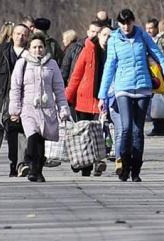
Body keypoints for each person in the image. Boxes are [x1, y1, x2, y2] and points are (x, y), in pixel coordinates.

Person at [96, 9, 164, 182]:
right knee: (125, 128)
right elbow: (109, 67)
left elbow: (160, 57)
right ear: (118, 24)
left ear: (133, 22)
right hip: (123, 88)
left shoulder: (142, 36)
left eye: (129, 23)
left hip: (142, 88)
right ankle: (123, 165)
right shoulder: (115, 40)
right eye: (123, 23)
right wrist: (102, 96)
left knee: (138, 131)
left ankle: (136, 170)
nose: (126, 26)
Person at [9, 32, 70, 182]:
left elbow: (59, 89)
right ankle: (30, 163)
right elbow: (15, 87)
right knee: (33, 136)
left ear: (45, 48)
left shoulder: (52, 64)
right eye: (35, 47)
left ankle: (37, 171)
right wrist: (15, 109)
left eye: (40, 47)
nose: (38, 50)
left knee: (41, 140)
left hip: (47, 108)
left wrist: (63, 109)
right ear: (29, 48)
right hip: (28, 108)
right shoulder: (22, 63)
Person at [0, 23, 31, 177]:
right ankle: (15, 163)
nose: (20, 36)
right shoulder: (3, 53)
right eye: (17, 33)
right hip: (7, 100)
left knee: (24, 131)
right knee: (11, 132)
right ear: (12, 35)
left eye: (23, 34)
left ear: (27, 36)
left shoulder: (31, 53)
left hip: (27, 99)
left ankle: (22, 164)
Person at [65, 26, 112, 177]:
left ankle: (99, 160)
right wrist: (67, 97)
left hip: (102, 100)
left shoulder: (114, 53)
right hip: (84, 98)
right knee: (84, 134)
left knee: (100, 132)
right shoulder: (88, 50)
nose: (107, 38)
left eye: (110, 36)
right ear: (98, 36)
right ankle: (85, 164)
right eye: (104, 35)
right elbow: (76, 75)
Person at [62, 21, 102, 85]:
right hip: (75, 86)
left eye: (98, 33)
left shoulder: (103, 51)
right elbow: (65, 70)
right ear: (88, 32)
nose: (95, 35)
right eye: (93, 31)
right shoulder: (75, 47)